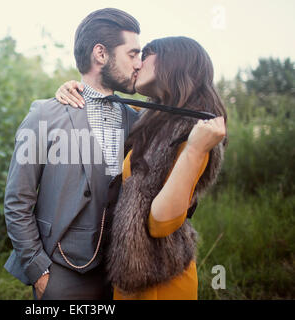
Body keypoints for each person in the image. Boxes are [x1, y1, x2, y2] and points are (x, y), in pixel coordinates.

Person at [55, 36, 227, 299]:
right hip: (131, 275)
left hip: (160, 282)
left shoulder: (194, 131)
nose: (137, 64)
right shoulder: (156, 117)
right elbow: (104, 100)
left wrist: (194, 150)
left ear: (173, 61)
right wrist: (75, 88)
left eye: (145, 54)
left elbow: (161, 223)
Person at [3, 8, 143, 300]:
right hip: (61, 272)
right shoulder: (46, 114)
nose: (139, 64)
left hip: (122, 277)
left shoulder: (137, 120)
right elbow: (17, 200)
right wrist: (39, 271)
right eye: (132, 54)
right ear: (100, 54)